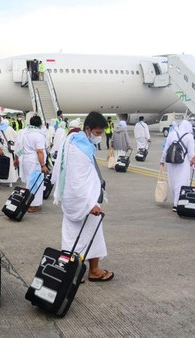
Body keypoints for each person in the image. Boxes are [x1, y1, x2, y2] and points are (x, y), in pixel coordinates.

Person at [53, 111, 114, 282]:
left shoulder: (76, 142)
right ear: (88, 129)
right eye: (97, 133)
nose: (99, 137)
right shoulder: (78, 149)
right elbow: (77, 180)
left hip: (75, 199)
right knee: (92, 233)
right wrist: (89, 204)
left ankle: (71, 272)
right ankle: (92, 270)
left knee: (72, 235)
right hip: (83, 200)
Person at [160, 120, 195, 212]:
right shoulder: (189, 136)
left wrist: (162, 160)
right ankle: (177, 203)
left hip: (171, 161)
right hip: (183, 163)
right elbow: (191, 153)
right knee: (182, 181)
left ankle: (175, 200)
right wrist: (194, 163)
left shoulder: (172, 134)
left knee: (172, 181)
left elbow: (166, 148)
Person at [16, 115, 48, 212]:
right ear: (40, 124)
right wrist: (43, 165)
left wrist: (16, 159)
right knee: (35, 183)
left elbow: (19, 148)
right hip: (35, 162)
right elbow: (40, 151)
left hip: (25, 160)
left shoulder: (24, 133)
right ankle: (32, 205)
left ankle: (29, 203)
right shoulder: (38, 135)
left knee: (29, 183)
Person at [0, 120, 19, 186]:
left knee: (2, 164)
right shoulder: (10, 128)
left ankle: (1, 179)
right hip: (10, 149)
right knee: (11, 165)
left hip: (2, 149)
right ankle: (10, 182)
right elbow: (16, 136)